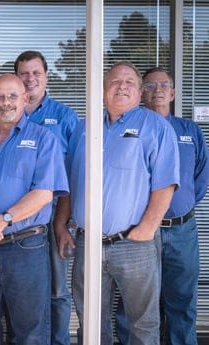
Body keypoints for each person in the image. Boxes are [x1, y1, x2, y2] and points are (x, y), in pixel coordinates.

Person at [56, 61, 179, 345]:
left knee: (142, 324)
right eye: (113, 81)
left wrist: (147, 229)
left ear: (138, 93)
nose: (121, 86)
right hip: (88, 244)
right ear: (101, 91)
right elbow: (72, 181)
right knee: (91, 324)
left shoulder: (156, 127)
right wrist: (61, 225)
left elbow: (166, 183)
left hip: (133, 243)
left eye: (129, 82)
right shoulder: (83, 127)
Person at [0, 74, 68, 344]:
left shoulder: (44, 139)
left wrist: (3, 220)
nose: (5, 102)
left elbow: (43, 193)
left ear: (26, 99)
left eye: (12, 96)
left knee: (30, 329)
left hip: (26, 247)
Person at [113, 67, 207, 345]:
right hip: (140, 230)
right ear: (142, 93)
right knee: (134, 301)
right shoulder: (131, 129)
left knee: (182, 299)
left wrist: (181, 206)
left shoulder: (190, 131)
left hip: (182, 231)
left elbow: (200, 178)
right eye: (151, 85)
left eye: (164, 85)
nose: (158, 90)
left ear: (174, 92)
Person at [13, 50, 79, 345]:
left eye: (36, 73)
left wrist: (63, 224)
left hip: (55, 212)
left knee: (56, 289)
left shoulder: (65, 117)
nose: (30, 79)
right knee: (20, 288)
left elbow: (75, 174)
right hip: (16, 213)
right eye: (24, 73)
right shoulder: (7, 112)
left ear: (46, 76)